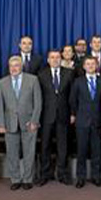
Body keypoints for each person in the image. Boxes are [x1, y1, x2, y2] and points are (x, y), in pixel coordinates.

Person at [0, 56, 42, 191]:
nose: (14, 68)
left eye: (16, 65)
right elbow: (0, 106)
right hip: (9, 123)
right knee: (12, 153)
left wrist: (34, 121)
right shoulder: (2, 82)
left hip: (29, 123)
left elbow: (38, 103)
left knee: (29, 152)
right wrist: (1, 124)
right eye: (11, 66)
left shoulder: (33, 80)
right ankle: (15, 179)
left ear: (21, 66)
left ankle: (27, 179)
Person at [69, 56, 101, 188]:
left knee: (97, 151)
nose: (91, 66)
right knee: (82, 151)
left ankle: (97, 177)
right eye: (88, 64)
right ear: (84, 66)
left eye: (93, 64)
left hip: (97, 121)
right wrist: (74, 114)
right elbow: (73, 100)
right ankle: (81, 177)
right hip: (82, 121)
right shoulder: (77, 81)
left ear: (97, 66)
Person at [37, 50, 74, 186]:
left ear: (61, 59)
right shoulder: (41, 74)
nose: (55, 59)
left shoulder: (69, 73)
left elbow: (72, 96)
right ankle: (44, 174)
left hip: (63, 115)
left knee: (62, 147)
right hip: (46, 116)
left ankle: (63, 174)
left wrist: (72, 113)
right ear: (48, 60)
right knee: (45, 146)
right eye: (52, 57)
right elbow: (38, 97)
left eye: (57, 57)